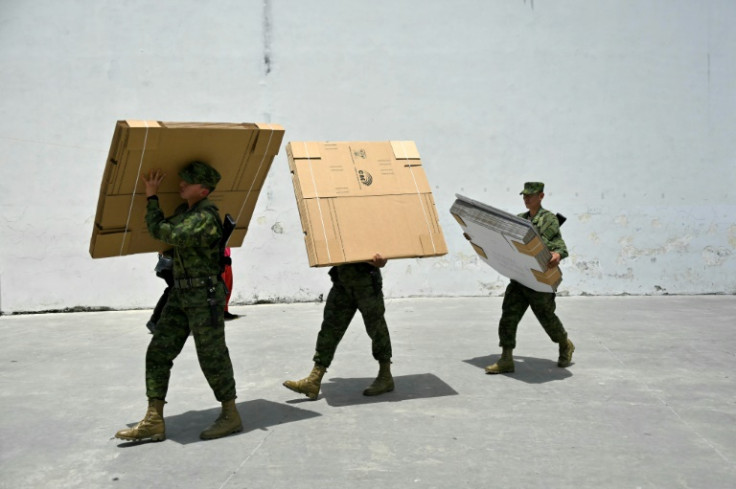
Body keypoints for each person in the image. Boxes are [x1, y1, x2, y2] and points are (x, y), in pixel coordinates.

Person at [115, 161, 242, 442]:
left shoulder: (205, 217)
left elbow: (164, 233)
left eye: (189, 181)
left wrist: (151, 197)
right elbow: (163, 233)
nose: (181, 184)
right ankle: (153, 420)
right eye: (182, 179)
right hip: (181, 294)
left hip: (204, 296)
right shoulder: (185, 212)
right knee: (159, 352)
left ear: (204, 189)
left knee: (212, 357)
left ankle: (231, 414)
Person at [485, 182, 575, 374]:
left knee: (547, 318)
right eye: (524, 196)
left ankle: (565, 344)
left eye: (530, 196)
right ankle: (506, 359)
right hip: (520, 278)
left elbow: (560, 246)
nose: (526, 199)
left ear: (541, 196)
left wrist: (557, 255)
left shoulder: (549, 219)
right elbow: (504, 242)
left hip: (539, 280)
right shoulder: (519, 220)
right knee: (508, 317)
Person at [283, 255, 394, 400]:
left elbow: (383, 253)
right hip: (342, 284)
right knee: (329, 329)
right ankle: (314, 380)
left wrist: (380, 259)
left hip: (366, 285)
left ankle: (385, 376)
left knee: (377, 329)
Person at [222, 247, 239, 321]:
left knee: (228, 287)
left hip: (227, 259)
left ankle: (224, 310)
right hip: (218, 260)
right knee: (221, 288)